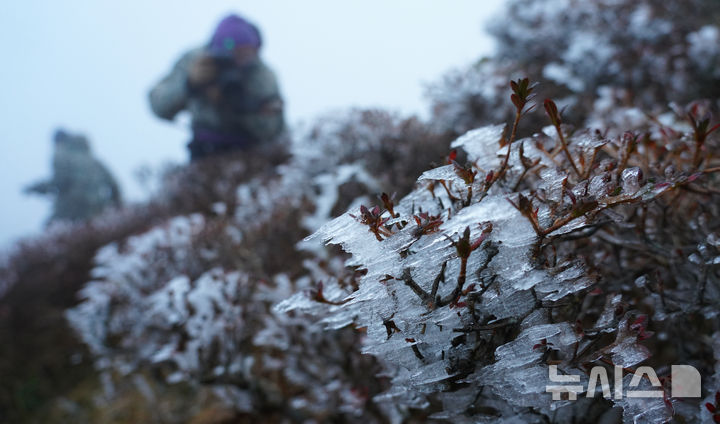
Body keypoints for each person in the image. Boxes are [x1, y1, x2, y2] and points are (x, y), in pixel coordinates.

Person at [149, 14, 285, 161]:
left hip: (252, 156)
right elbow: (158, 106)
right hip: (203, 153)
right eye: (234, 54)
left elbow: (275, 130)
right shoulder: (196, 62)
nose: (239, 62)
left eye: (245, 54)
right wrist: (189, 85)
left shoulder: (262, 74)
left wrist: (238, 104)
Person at [25, 129, 122, 223]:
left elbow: (59, 182)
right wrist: (118, 208)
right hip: (97, 209)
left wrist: (36, 188)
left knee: (51, 230)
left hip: (73, 210)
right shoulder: (93, 159)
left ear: (58, 142)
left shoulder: (61, 154)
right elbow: (114, 184)